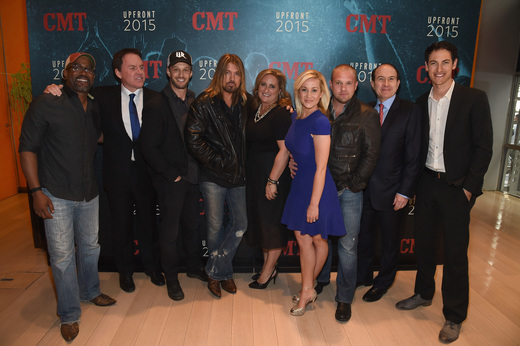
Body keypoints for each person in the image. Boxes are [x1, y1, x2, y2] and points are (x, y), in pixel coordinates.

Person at [44, 49, 165, 293]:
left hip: (146, 173)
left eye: (141, 67)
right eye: (132, 68)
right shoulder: (101, 96)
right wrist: (52, 88)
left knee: (148, 223)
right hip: (117, 173)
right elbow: (74, 91)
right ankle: (126, 272)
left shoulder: (155, 98)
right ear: (118, 72)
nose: (140, 72)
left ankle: (152, 267)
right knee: (120, 225)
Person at [395, 41, 493, 344]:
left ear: (455, 66)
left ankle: (454, 315)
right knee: (424, 246)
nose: (439, 69)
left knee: (454, 254)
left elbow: (484, 147)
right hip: (426, 184)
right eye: (433, 63)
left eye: (445, 63)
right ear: (426, 68)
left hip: (455, 189)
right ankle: (423, 294)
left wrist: (468, 189)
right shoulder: (421, 100)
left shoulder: (474, 99)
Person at [19, 52, 116, 342]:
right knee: (62, 257)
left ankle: (90, 292)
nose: (83, 72)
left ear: (94, 75)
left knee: (90, 248)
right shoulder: (46, 102)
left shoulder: (95, 107)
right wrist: (36, 192)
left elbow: (98, 136)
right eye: (76, 68)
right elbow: (27, 148)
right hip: (55, 193)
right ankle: (70, 314)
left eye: (89, 69)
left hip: (88, 193)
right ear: (65, 73)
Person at [310, 64, 381, 323]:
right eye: (338, 83)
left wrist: (354, 184)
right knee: (321, 240)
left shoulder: (367, 114)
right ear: (330, 84)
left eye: (348, 83)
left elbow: (371, 154)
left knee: (348, 247)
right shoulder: (318, 110)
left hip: (349, 191)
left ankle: (344, 299)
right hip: (321, 189)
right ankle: (319, 280)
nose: (342, 88)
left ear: (356, 85)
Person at [141, 50, 209, 301]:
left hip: (194, 177)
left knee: (192, 226)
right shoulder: (156, 102)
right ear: (168, 72)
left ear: (191, 74)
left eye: (185, 69)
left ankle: (193, 267)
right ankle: (171, 278)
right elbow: (148, 146)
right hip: (171, 180)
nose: (181, 74)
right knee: (170, 233)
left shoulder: (195, 100)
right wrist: (171, 176)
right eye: (176, 69)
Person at [281, 69, 346, 316]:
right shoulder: (295, 118)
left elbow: (321, 167)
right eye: (304, 89)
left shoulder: (320, 121)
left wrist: (314, 204)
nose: (309, 95)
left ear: (322, 93)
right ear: (298, 91)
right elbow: (294, 149)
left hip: (317, 189)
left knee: (317, 239)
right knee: (304, 240)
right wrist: (290, 162)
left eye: (314, 90)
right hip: (299, 186)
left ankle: (307, 289)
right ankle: (308, 288)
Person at [185, 53, 250, 298]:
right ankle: (224, 274)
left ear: (241, 77)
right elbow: (193, 139)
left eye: (236, 73)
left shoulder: (247, 102)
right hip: (213, 175)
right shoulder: (204, 102)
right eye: (227, 73)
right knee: (214, 228)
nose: (231, 78)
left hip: (239, 177)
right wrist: (219, 161)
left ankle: (214, 271)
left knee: (240, 224)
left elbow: (269, 111)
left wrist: (286, 104)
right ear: (219, 74)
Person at [356, 63, 422, 302]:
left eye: (391, 79)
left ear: (398, 83)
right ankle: (362, 275)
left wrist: (405, 191)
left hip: (393, 191)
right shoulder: (364, 110)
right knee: (363, 238)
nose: (385, 84)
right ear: (372, 83)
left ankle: (383, 282)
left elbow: (414, 156)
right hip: (363, 190)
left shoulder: (411, 111)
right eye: (380, 79)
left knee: (390, 243)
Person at [245, 68, 292, 289]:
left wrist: (272, 180)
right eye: (263, 84)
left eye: (272, 86)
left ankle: (267, 272)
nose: (267, 89)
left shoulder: (281, 113)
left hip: (272, 176)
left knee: (272, 224)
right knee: (263, 223)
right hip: (256, 175)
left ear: (280, 90)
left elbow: (284, 151)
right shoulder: (256, 109)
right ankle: (268, 267)